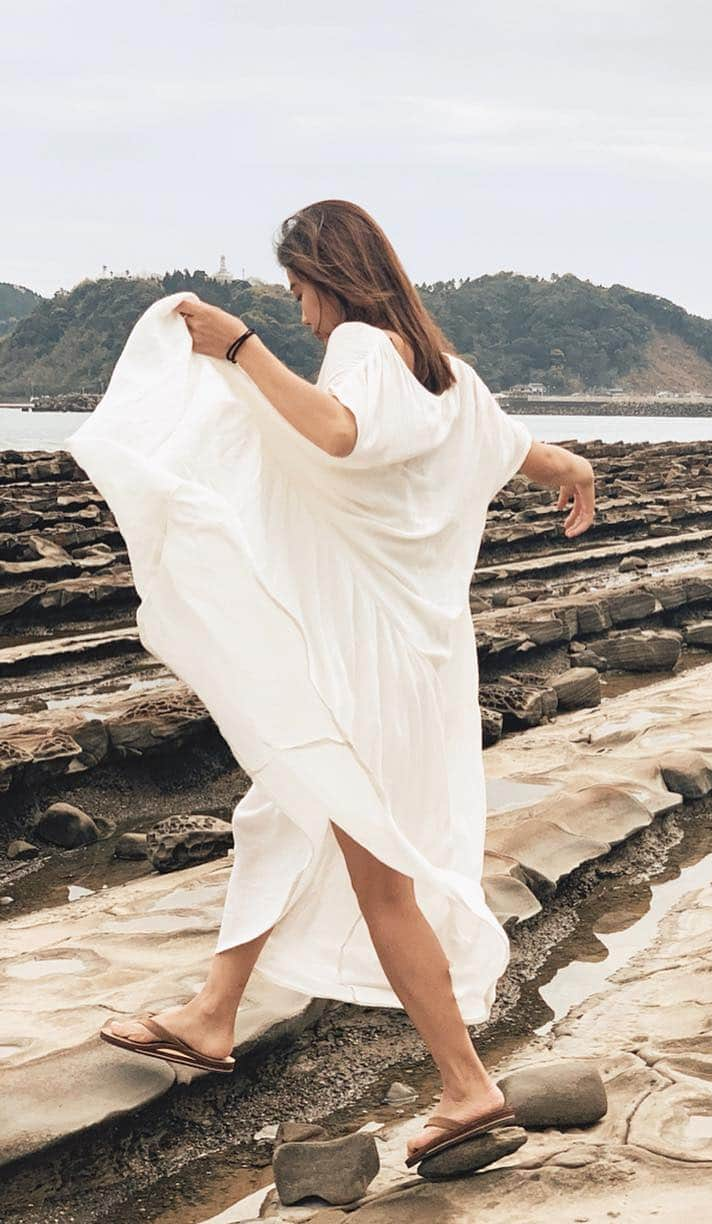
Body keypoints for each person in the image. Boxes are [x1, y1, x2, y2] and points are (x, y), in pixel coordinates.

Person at [84, 199, 596, 1170]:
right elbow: (517, 452)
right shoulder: (450, 378)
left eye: (299, 293)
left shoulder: (365, 347)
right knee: (284, 812)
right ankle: (210, 1014)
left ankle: (467, 1088)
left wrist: (239, 350)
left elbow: (336, 432)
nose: (303, 314)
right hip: (417, 672)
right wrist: (574, 470)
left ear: (330, 279)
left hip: (367, 671)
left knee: (382, 885)